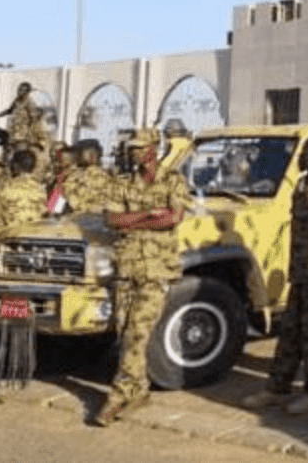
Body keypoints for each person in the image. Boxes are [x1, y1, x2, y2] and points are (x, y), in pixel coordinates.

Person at [243, 134, 308, 415]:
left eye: (304, 151)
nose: (300, 156)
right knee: (289, 334)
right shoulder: (301, 186)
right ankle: (277, 389)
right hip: (300, 274)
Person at [93, 130, 192, 426]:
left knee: (138, 332)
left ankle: (117, 395)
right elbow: (111, 220)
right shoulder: (122, 183)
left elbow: (173, 217)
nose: (133, 152)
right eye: (131, 148)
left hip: (157, 269)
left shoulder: (172, 180)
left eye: (139, 148)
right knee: (124, 333)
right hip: (126, 268)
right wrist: (150, 215)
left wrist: (132, 219)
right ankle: (139, 391)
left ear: (154, 149)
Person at [0, 150, 46, 230]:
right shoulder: (40, 188)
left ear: (14, 165)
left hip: (10, 236)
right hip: (34, 235)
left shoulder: (4, 188)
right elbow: (44, 213)